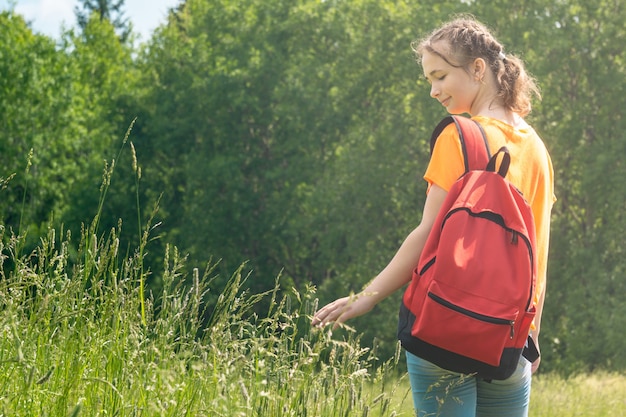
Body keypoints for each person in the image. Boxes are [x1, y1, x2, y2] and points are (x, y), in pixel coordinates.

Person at [311, 16, 555, 417]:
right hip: (509, 339)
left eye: (440, 76)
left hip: (444, 326)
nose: (433, 90)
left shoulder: (460, 135)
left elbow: (428, 234)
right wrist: (532, 334)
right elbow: (537, 254)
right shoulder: (537, 148)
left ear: (478, 69)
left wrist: (365, 298)